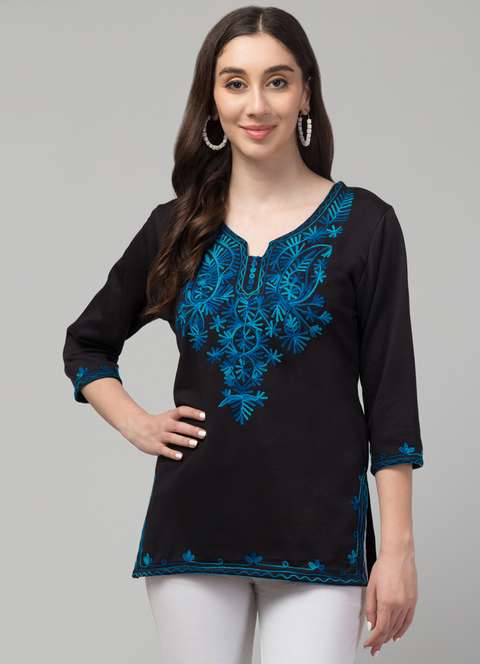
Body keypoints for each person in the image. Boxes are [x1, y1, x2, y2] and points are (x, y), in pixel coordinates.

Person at [62, 6, 424, 662]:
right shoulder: (174, 228)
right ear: (212, 99)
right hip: (193, 534)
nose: (256, 104)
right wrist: (137, 424)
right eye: (235, 83)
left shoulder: (366, 226)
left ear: (306, 93)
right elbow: (87, 344)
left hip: (321, 540)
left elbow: (391, 402)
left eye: (277, 81)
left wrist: (396, 552)